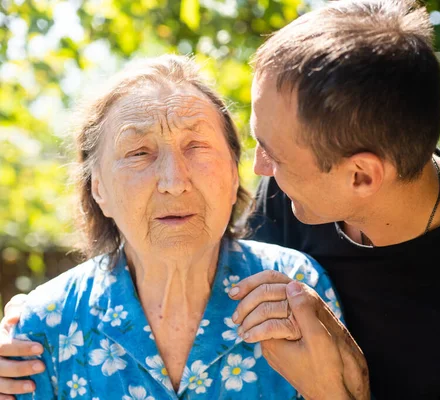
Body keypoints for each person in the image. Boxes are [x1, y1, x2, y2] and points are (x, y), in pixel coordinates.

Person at [0, 0, 440, 399]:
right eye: (139, 153)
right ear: (95, 184)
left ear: (361, 178)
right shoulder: (297, 188)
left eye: (273, 155)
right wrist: (40, 320)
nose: (258, 170)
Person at [0, 54, 344, 399]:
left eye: (196, 146)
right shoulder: (48, 323)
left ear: (233, 172)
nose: (174, 180)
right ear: (98, 188)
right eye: (138, 153)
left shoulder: (296, 290)